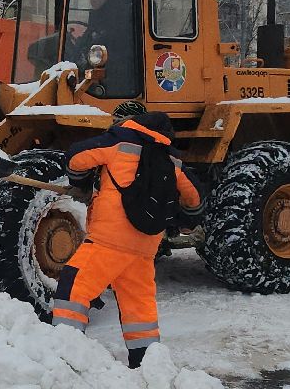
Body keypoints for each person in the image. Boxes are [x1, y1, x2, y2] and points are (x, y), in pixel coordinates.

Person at [50, 112, 202, 368]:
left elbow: (76, 157)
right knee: (139, 306)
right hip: (145, 245)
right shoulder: (172, 160)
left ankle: (64, 352)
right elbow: (195, 199)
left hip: (109, 239)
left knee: (74, 287)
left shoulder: (120, 140)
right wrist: (186, 220)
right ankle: (147, 364)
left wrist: (82, 183)